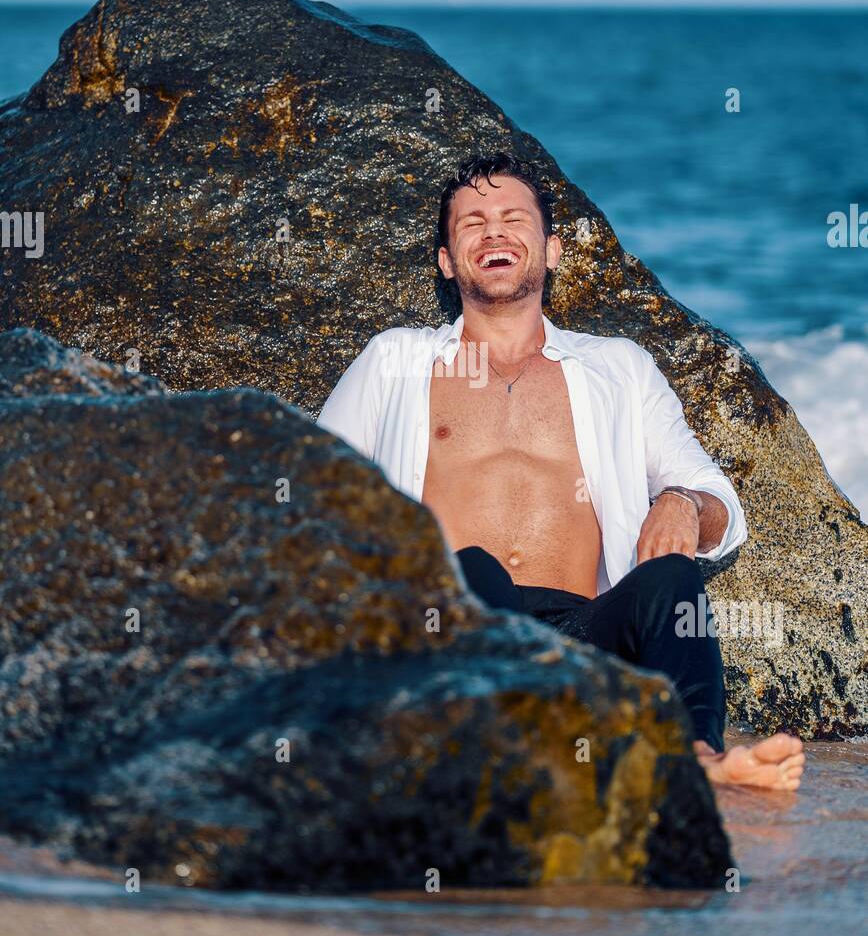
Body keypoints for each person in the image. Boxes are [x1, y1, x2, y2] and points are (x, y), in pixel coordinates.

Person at [318, 153, 804, 792]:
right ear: (446, 260)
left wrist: (684, 502)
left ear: (550, 251)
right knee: (475, 567)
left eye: (512, 218)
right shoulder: (395, 361)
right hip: (452, 623)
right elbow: (311, 493)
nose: (493, 232)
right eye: (472, 223)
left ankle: (697, 762)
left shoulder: (618, 368)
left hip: (586, 632)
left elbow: (722, 507)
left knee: (672, 582)